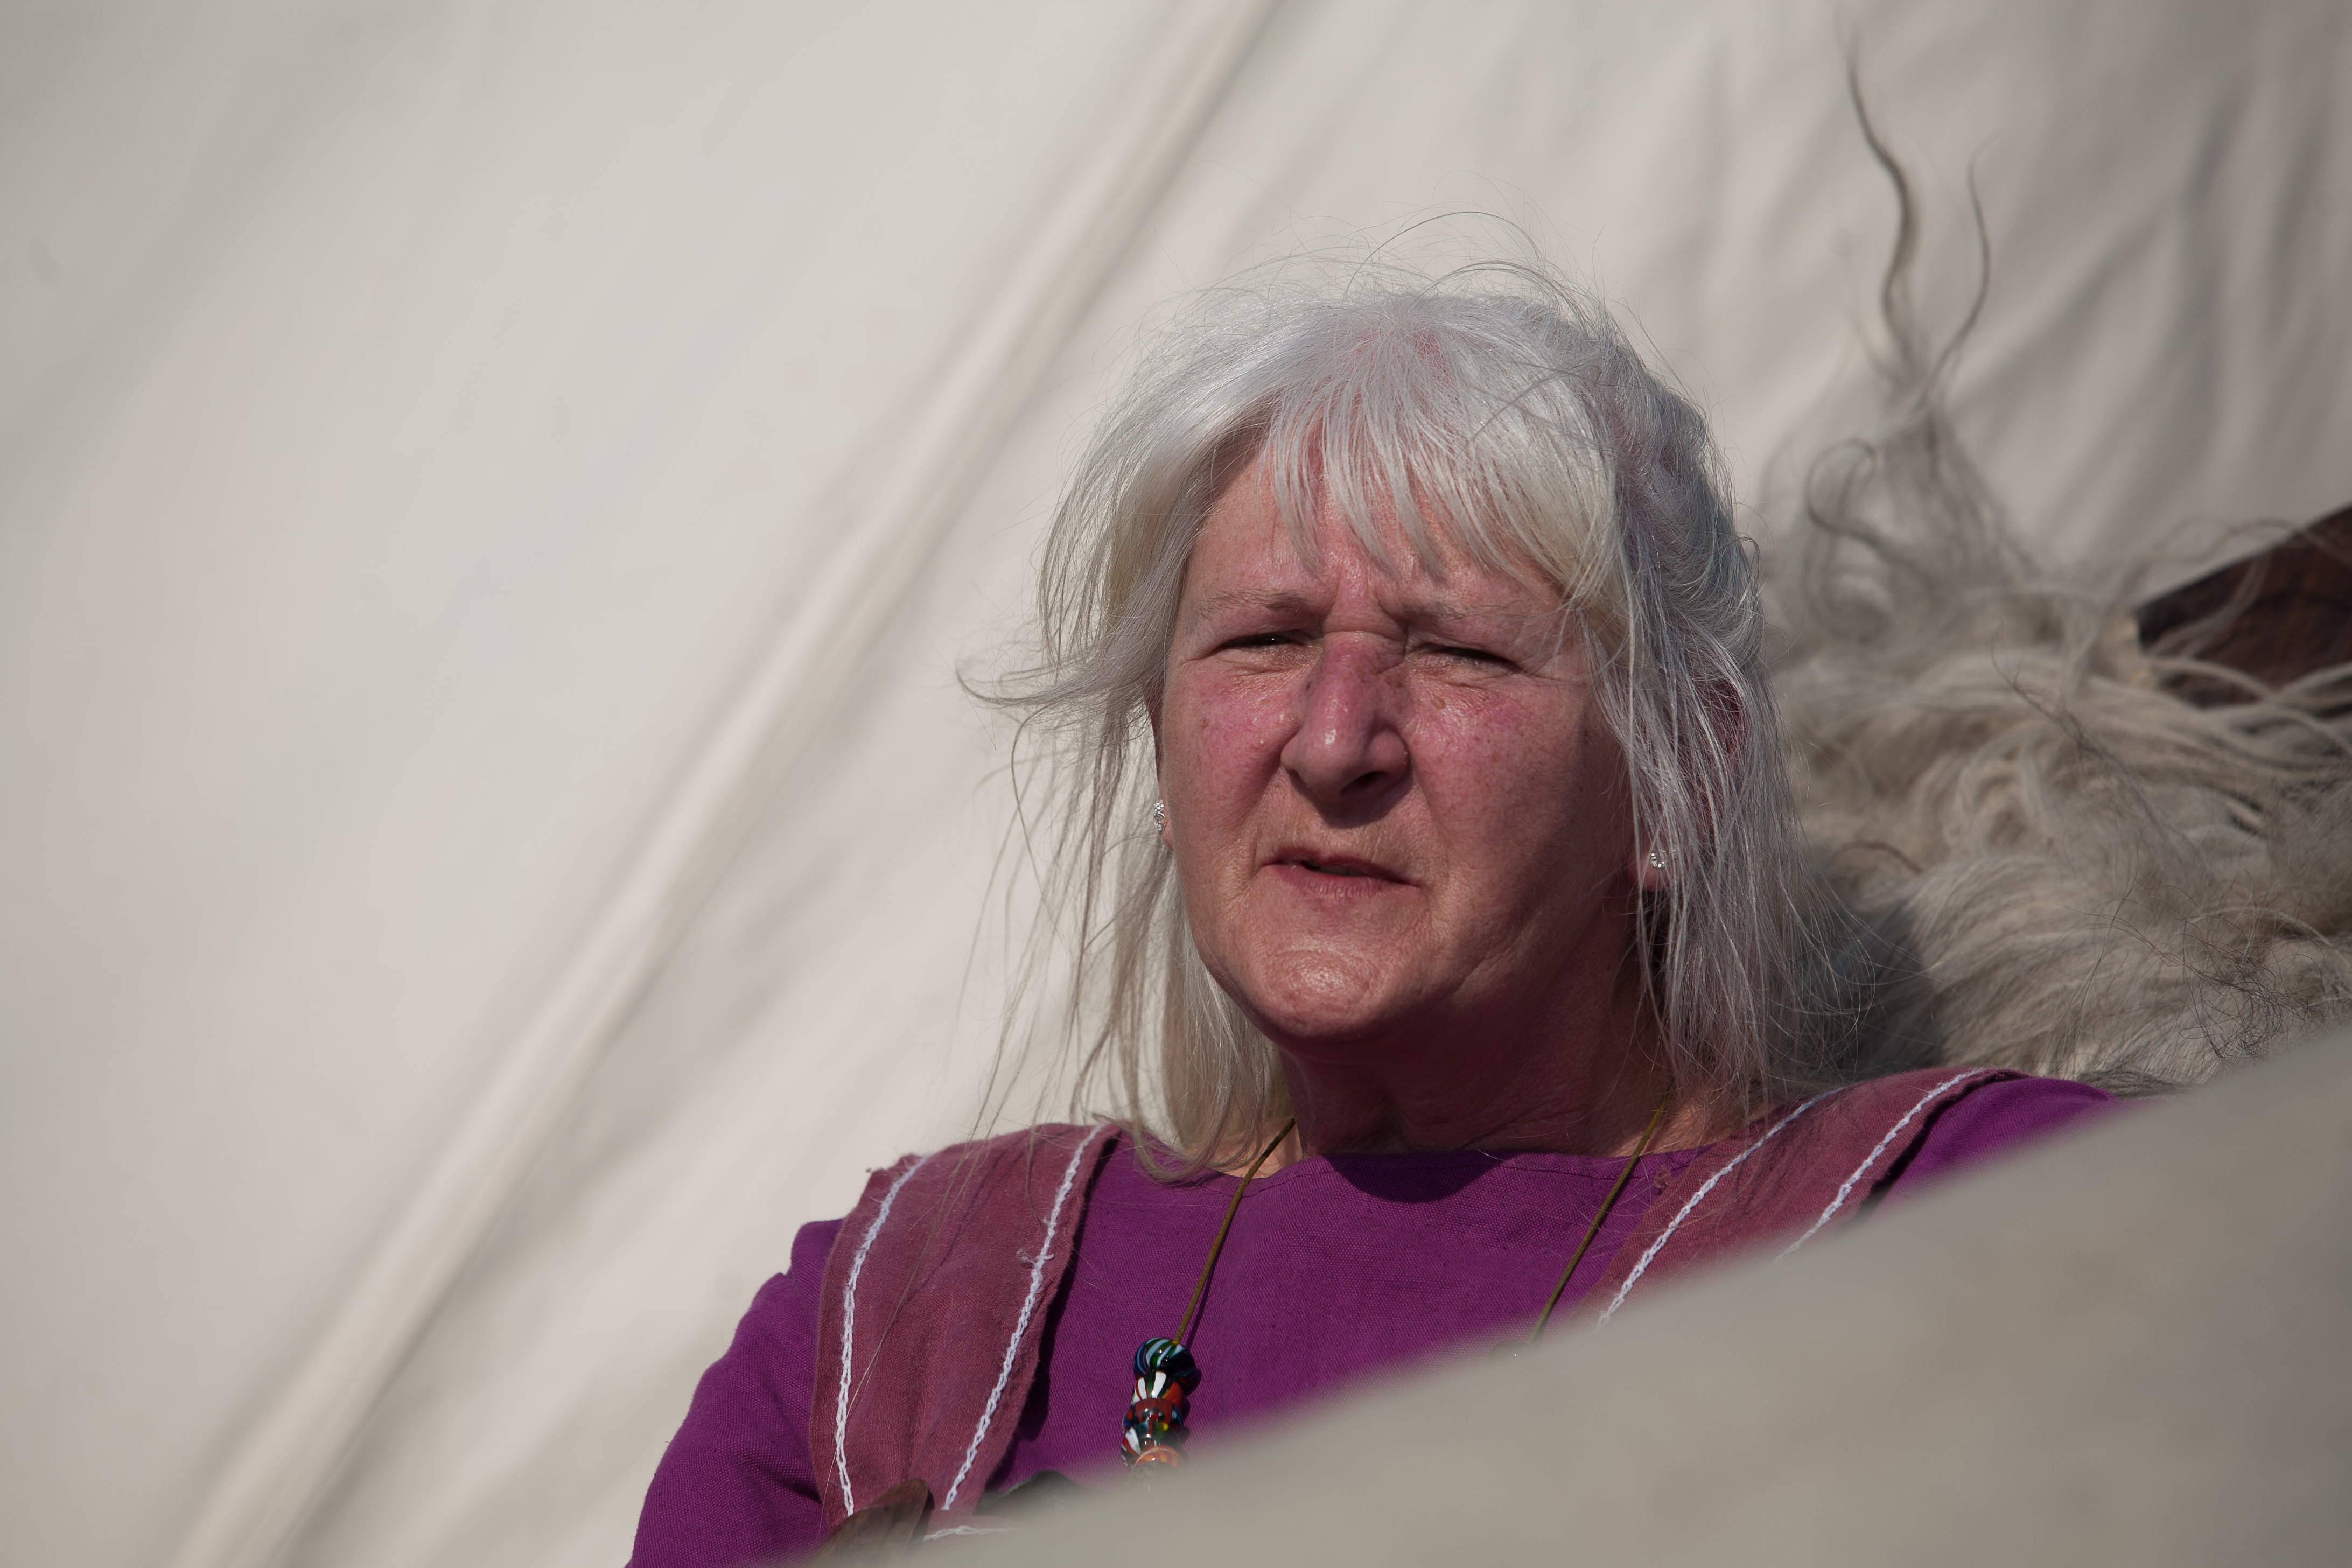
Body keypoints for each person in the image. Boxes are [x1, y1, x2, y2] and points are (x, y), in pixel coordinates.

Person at [627, 260, 2117, 1565]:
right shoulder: (903, 1310)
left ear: (1682, 780)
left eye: (1459, 652)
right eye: (1265, 640)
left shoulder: (1990, 1216)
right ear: (1163, 746)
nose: (1336, 741)